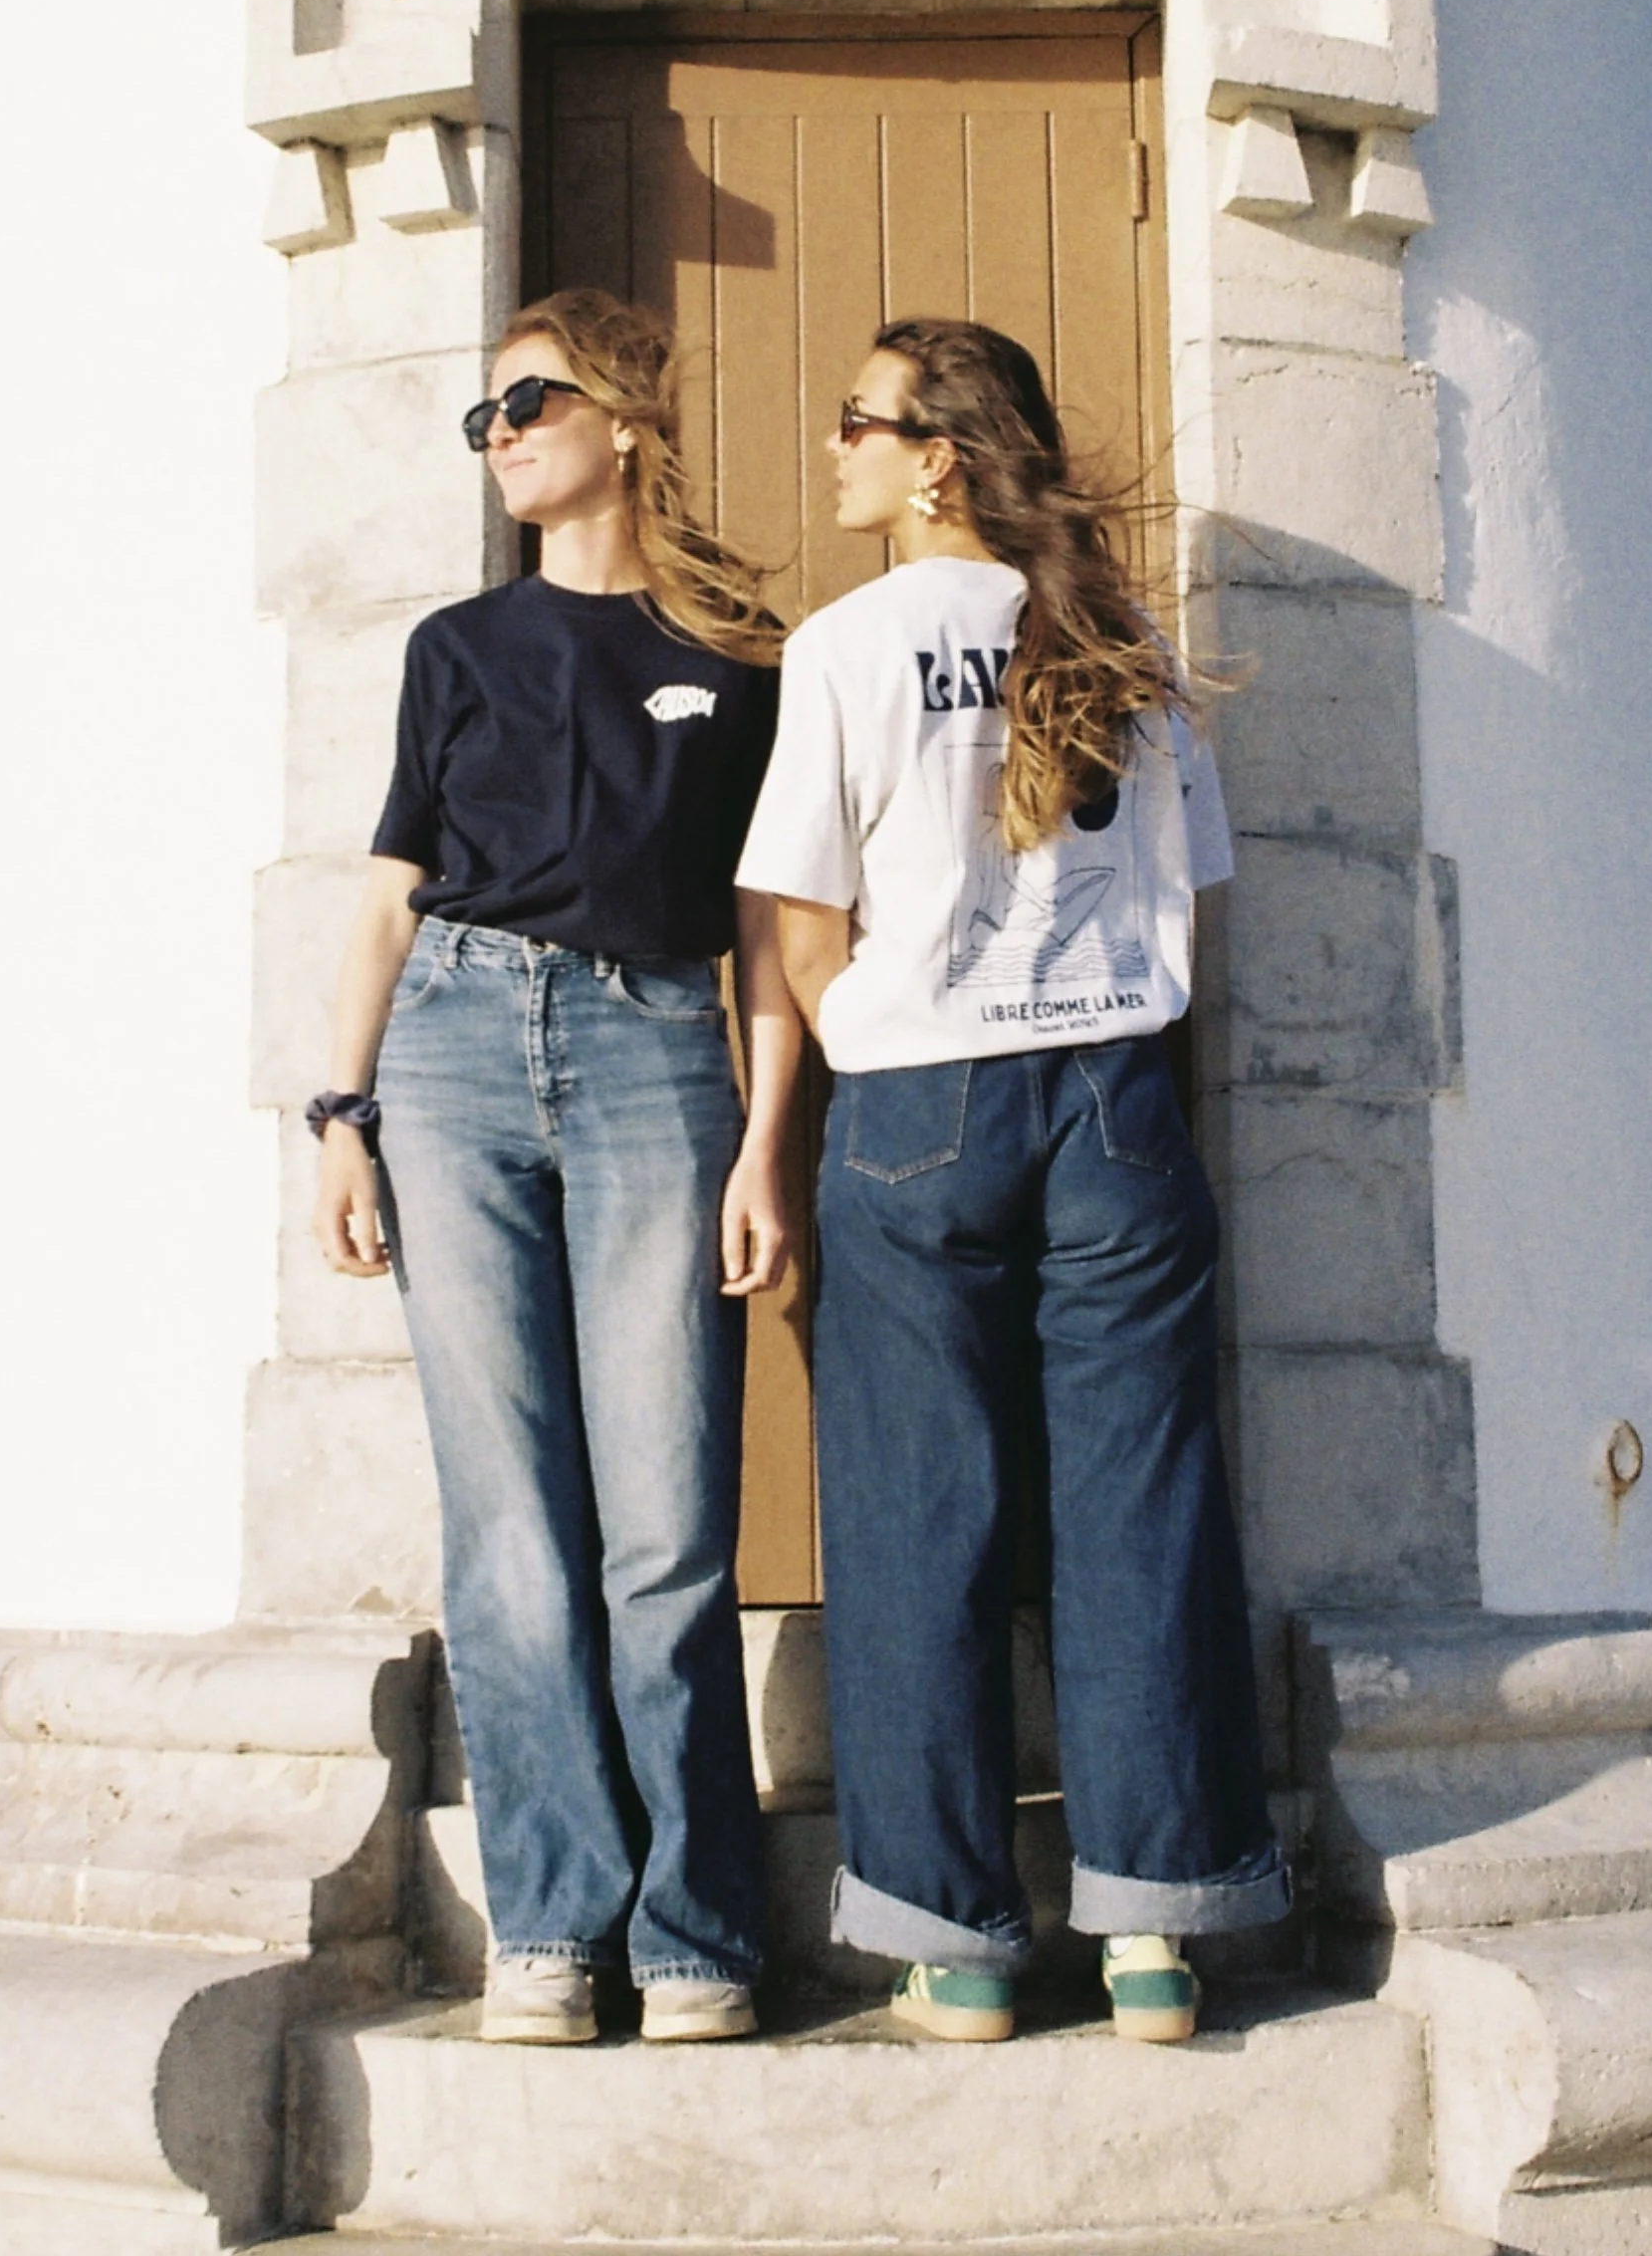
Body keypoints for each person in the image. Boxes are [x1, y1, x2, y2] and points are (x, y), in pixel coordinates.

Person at [735, 317, 1288, 2046]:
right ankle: (1154, 1938)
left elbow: (791, 917)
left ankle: (957, 1945)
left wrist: (877, 1030)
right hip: (1120, 1099)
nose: (834, 452)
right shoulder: (1120, 643)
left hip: (919, 1104)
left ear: (938, 458)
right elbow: (1190, 895)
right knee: (1143, 1517)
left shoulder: (848, 645)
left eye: (857, 422)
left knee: (919, 1520)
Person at [312, 289, 800, 2047]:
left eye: (530, 400)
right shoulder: (455, 646)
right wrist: (340, 1114)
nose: (502, 431)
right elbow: (388, 890)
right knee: (510, 1526)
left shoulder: (743, 660)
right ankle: (552, 1922)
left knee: (665, 1529)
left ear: (627, 419)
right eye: (485, 415)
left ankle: (694, 1936)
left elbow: (763, 932)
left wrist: (764, 1142)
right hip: (450, 1054)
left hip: (656, 1054)